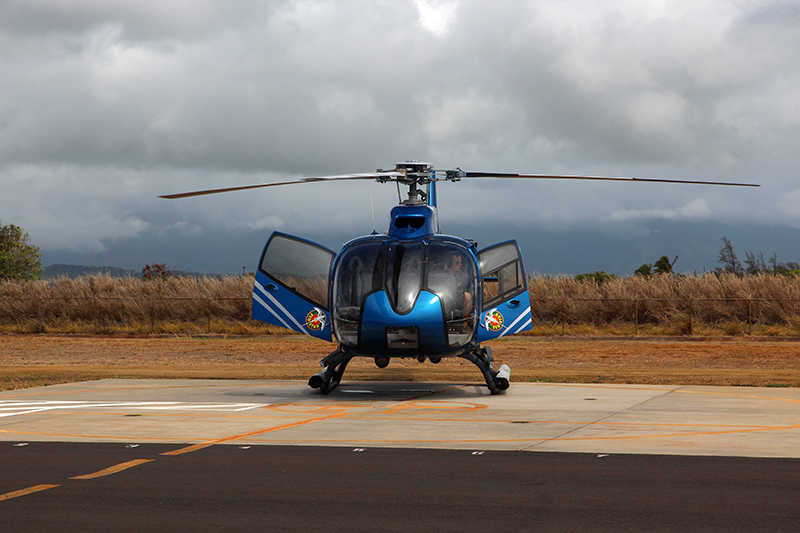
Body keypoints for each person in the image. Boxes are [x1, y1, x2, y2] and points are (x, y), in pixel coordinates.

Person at [448, 252, 473, 320]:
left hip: (457, 302)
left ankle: (465, 323)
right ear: (449, 263)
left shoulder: (464, 277)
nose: (460, 264)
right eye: (457, 262)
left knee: (467, 296)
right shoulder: (440, 276)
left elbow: (471, 289)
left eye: (460, 262)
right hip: (443, 300)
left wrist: (479, 290)